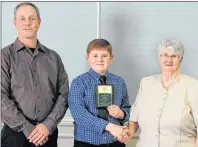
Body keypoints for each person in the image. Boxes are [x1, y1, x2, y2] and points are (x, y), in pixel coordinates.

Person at [1, 2, 69, 147]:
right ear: (15, 22)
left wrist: (48, 125)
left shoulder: (53, 58)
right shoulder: (4, 57)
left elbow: (63, 94)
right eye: (22, 18)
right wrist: (26, 127)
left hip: (47, 135)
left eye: (32, 18)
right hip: (15, 136)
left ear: (39, 22)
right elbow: (1, 97)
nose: (27, 23)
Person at [121, 39, 198, 147]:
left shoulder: (193, 85)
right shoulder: (146, 83)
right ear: (159, 57)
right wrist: (126, 133)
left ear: (181, 59)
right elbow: (135, 118)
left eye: (174, 56)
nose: (169, 59)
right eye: (165, 55)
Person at [68, 39, 130, 147]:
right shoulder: (78, 82)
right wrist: (109, 126)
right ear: (87, 58)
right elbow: (79, 114)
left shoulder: (119, 82)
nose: (100, 60)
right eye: (95, 56)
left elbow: (127, 108)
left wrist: (122, 114)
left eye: (104, 56)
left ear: (111, 59)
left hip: (114, 142)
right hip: (86, 142)